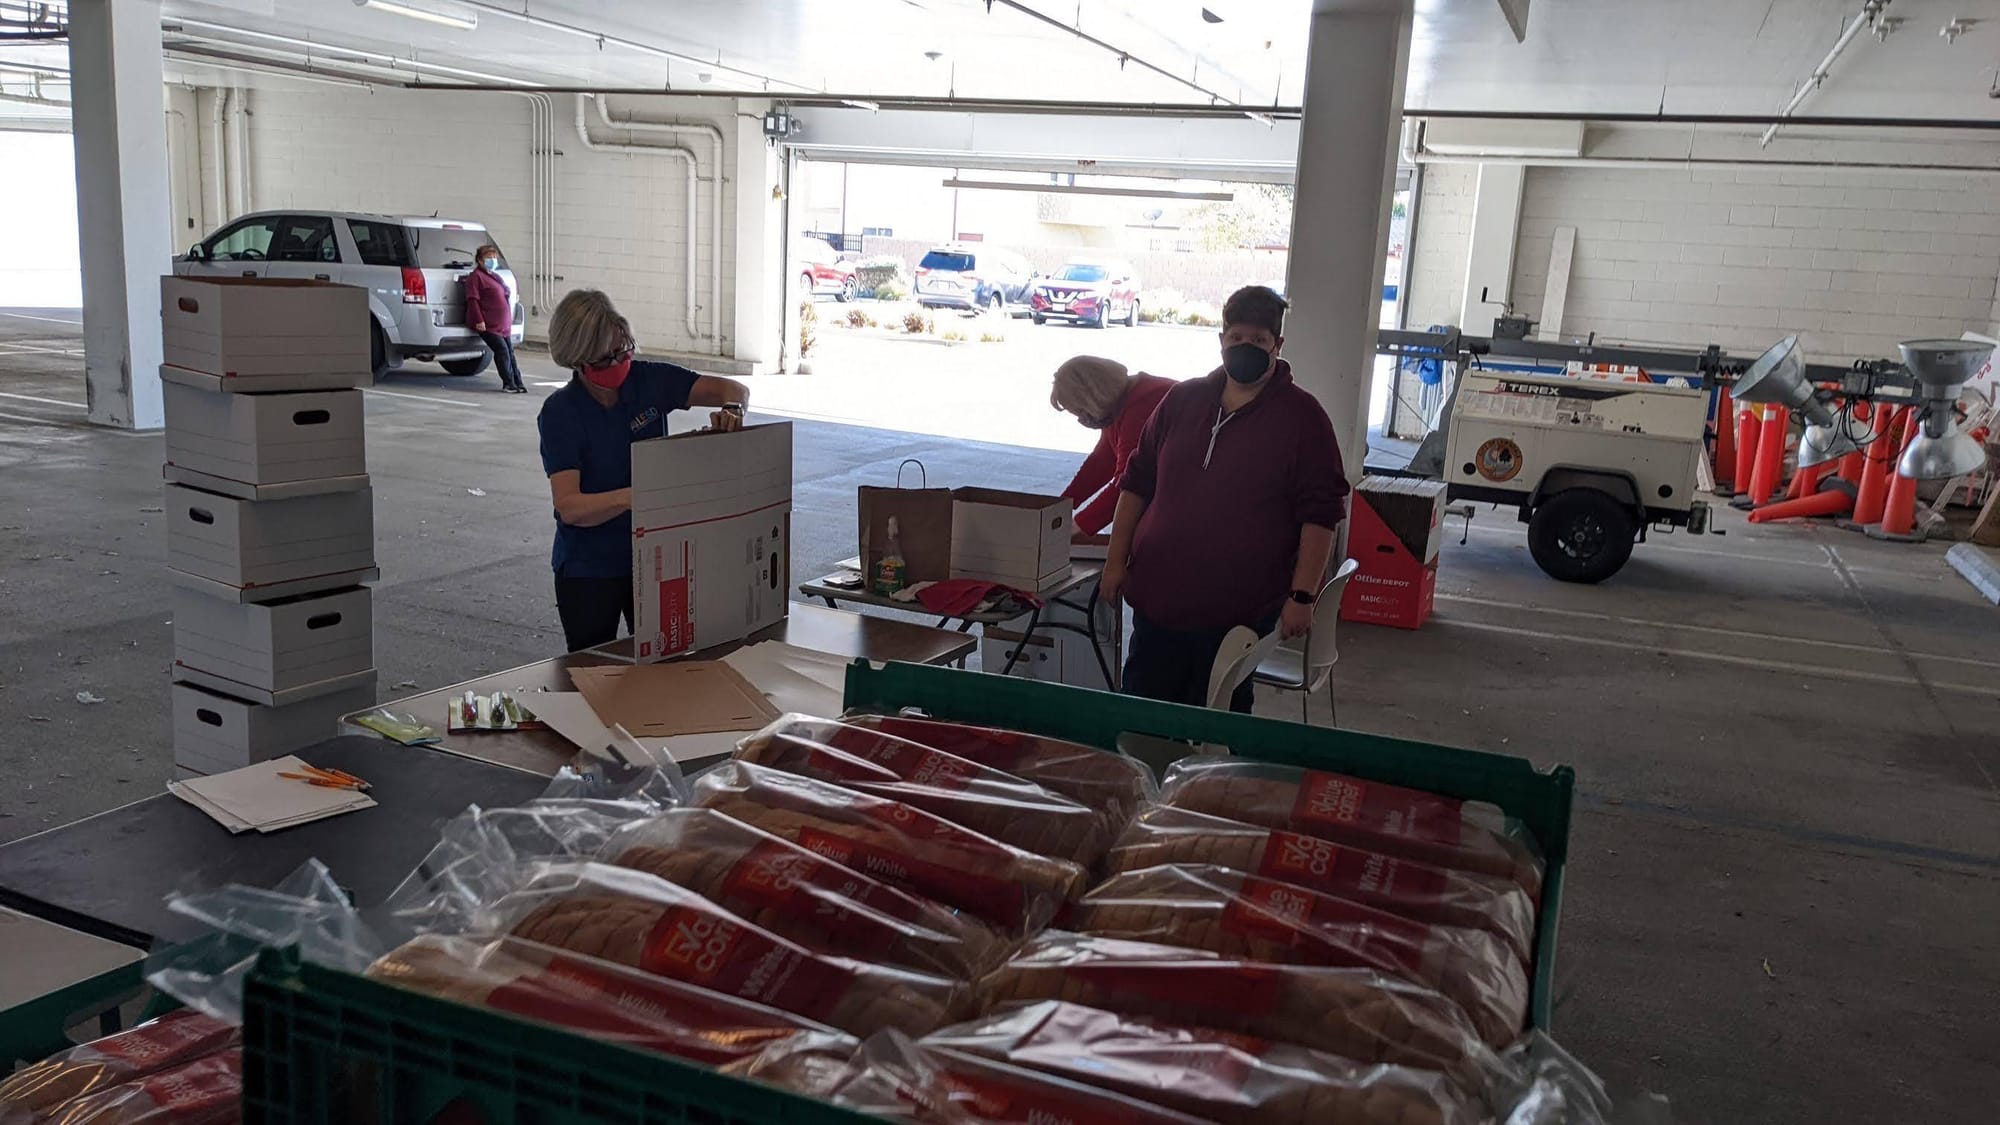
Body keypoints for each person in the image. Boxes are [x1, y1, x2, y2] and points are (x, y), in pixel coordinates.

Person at [1100, 285, 1350, 713]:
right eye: (1236, 337)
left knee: (1217, 720)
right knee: (1143, 715)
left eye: (1258, 339)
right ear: (1221, 340)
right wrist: (1114, 561)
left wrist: (1302, 596)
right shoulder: (1182, 400)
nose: (1245, 346)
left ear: (1277, 345)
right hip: (1159, 599)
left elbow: (1321, 515)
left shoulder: (1303, 419)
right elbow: (1136, 483)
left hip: (1238, 611)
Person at [537, 288, 750, 652]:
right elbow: (570, 506)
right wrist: (633, 498)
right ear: (579, 361)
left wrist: (733, 409)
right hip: (589, 568)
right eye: (607, 358)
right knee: (594, 669)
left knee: (668, 660)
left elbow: (734, 390)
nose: (620, 362)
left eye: (624, 350)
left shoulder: (649, 381)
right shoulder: (561, 413)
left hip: (654, 558)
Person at [1050, 355, 1174, 537]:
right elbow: (1102, 462)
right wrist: (1058, 506)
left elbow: (1128, 484)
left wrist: (1077, 526)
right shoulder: (1120, 402)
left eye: (1081, 411)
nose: (1082, 419)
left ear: (1093, 398)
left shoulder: (1144, 406)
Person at [465, 244, 525, 393]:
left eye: (494, 257)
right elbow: (473, 300)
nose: (493, 260)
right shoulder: (476, 277)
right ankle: (508, 383)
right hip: (488, 325)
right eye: (489, 258)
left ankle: (518, 382)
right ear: (480, 260)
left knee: (509, 352)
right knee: (502, 350)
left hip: (502, 325)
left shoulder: (494, 276)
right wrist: (479, 320)